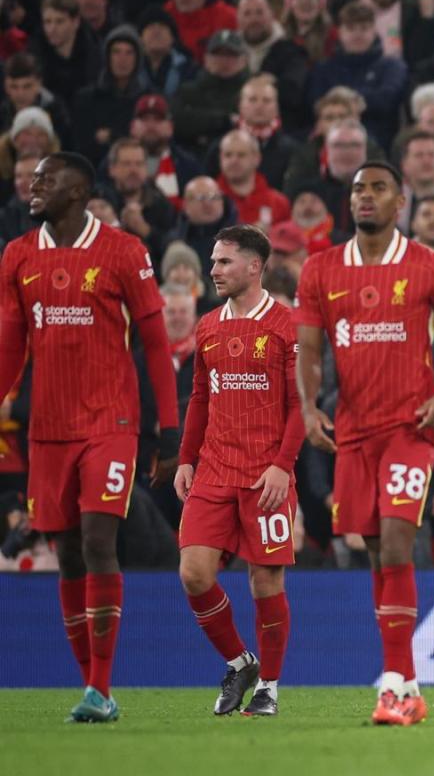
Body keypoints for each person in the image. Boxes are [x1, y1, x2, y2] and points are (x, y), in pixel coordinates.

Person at [294, 159, 434, 726]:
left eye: (379, 189)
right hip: (352, 433)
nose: (366, 197)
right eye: (358, 189)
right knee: (374, 551)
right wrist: (308, 408)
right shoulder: (321, 269)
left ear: (400, 202)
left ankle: (393, 688)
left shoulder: (427, 265)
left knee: (400, 545)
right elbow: (307, 351)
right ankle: (410, 683)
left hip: (411, 429)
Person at [0, 151, 181, 723]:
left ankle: (100, 688)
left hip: (111, 423)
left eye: (46, 180)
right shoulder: (18, 254)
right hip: (47, 431)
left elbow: (155, 346)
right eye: (32, 179)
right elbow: (10, 345)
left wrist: (168, 431)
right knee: (68, 551)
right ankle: (92, 687)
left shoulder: (125, 252)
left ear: (77, 191)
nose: (33, 186)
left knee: (100, 539)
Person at [173, 225, 302, 717]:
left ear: (254, 266)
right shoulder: (207, 326)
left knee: (265, 584)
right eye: (213, 261)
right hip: (214, 471)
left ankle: (269, 686)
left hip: (265, 473)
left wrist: (282, 467)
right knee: (194, 573)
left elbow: (299, 405)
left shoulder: (287, 325)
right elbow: (200, 398)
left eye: (224, 262)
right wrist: (186, 458)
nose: (214, 270)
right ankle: (239, 660)